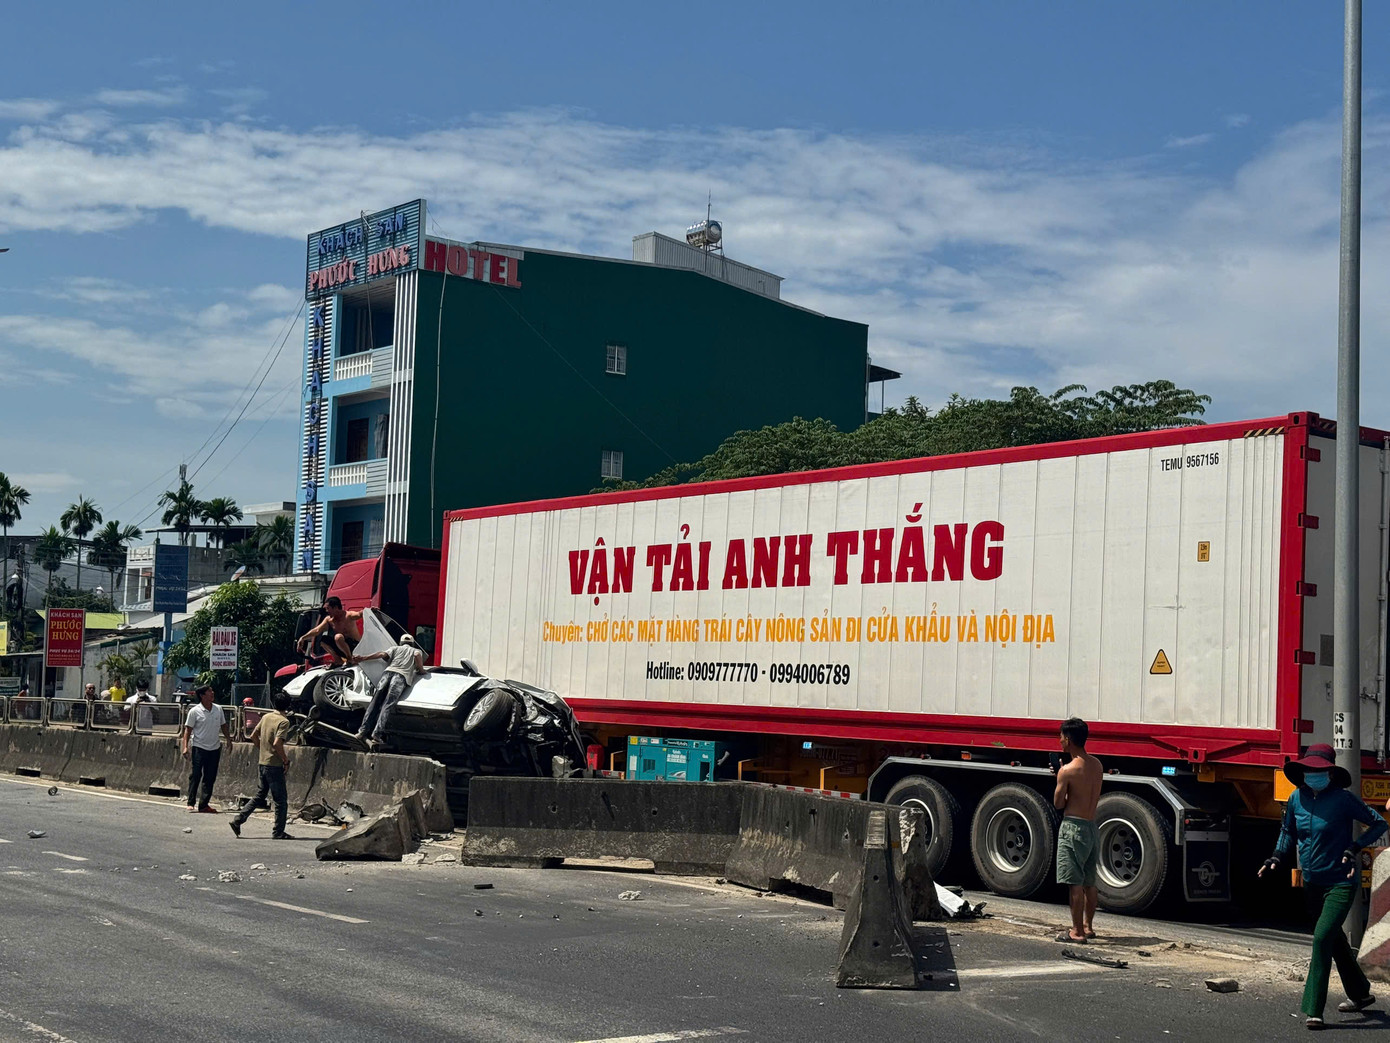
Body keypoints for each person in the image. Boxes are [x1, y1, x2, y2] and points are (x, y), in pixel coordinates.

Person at [1260, 743, 1387, 1029]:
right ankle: (1361, 993)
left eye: (1319, 770)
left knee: (1321, 938)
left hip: (1341, 883)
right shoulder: (1296, 798)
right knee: (1333, 939)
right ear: (1302, 771)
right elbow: (1287, 831)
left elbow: (1379, 824)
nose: (1313, 775)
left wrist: (1354, 847)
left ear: (1330, 773)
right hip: (1313, 883)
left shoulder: (1343, 800)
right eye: (1309, 769)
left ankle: (1314, 1009)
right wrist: (1277, 856)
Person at [1052, 716, 1103, 944]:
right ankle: (1088, 926)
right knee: (1090, 881)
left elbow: (1058, 803)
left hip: (1073, 827)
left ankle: (1076, 932)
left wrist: (1058, 777)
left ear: (1069, 739)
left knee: (1075, 883)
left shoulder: (1068, 771)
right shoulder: (1097, 765)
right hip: (1091, 826)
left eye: (1062, 736)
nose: (1060, 740)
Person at [230, 693, 294, 840]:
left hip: (262, 762)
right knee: (280, 800)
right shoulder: (283, 721)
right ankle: (278, 831)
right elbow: (278, 743)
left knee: (260, 795)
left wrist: (262, 749)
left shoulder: (266, 717)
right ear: (288, 706)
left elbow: (253, 735)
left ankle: (238, 820)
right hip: (274, 765)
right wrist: (285, 759)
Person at [354, 634, 428, 751]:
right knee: (387, 705)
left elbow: (382, 654)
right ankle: (376, 735)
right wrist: (421, 669)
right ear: (412, 643)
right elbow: (418, 655)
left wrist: (363, 658)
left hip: (387, 673)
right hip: (400, 677)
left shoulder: (395, 648)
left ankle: (362, 731)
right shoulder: (415, 650)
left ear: (401, 642)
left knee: (375, 702)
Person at [180, 685, 232, 813]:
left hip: (214, 747)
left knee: (210, 777)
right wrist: (185, 747)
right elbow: (188, 731)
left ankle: (204, 804)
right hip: (199, 747)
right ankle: (191, 802)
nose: (212, 693)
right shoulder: (195, 711)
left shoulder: (218, 709)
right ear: (202, 696)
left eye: (211, 690)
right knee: (196, 775)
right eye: (209, 691)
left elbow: (224, 726)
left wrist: (229, 740)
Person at [296, 597, 364, 665]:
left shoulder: (349, 615)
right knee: (323, 640)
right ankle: (338, 660)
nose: (327, 611)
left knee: (338, 637)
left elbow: (359, 614)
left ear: (335, 607)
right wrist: (303, 638)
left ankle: (350, 659)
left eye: (328, 608)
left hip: (355, 647)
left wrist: (369, 611)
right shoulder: (329, 620)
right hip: (342, 648)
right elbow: (317, 630)